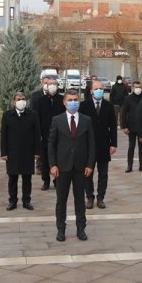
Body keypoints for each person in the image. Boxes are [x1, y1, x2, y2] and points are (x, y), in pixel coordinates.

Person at [48, 89, 96, 242]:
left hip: (81, 168)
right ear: (64, 102)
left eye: (75, 100)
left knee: (79, 200)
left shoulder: (86, 120)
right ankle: (60, 229)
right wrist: (52, 165)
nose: (73, 102)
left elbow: (91, 145)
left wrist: (90, 165)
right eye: (70, 100)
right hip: (62, 167)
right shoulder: (57, 120)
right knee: (61, 201)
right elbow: (51, 145)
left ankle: (81, 228)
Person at [79, 80, 118, 209]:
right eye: (96, 88)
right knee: (87, 173)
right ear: (91, 91)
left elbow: (113, 126)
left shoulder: (108, 105)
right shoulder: (84, 106)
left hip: (104, 145)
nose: (99, 90)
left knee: (103, 173)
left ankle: (101, 197)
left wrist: (113, 144)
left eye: (101, 88)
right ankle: (89, 197)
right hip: (87, 145)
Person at [0, 92, 40, 211]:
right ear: (14, 102)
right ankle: (12, 201)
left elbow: (37, 134)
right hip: (12, 152)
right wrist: (4, 153)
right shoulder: (7, 115)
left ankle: (26, 201)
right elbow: (3, 135)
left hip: (28, 152)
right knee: (12, 178)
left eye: (23, 98)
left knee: (27, 178)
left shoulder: (32, 115)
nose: (21, 101)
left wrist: (37, 151)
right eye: (18, 99)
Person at [33, 77, 65, 190]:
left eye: (54, 84)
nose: (52, 86)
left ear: (57, 86)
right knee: (45, 160)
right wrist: (38, 134)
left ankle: (57, 180)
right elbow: (36, 118)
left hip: (59, 134)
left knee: (58, 159)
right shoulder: (40, 100)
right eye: (49, 84)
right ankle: (45, 181)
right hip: (45, 133)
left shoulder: (62, 100)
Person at [121, 80, 142, 172]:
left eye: (139, 87)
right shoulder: (128, 99)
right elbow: (123, 113)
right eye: (136, 87)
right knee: (131, 146)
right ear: (133, 88)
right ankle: (129, 165)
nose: (138, 89)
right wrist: (124, 126)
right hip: (131, 126)